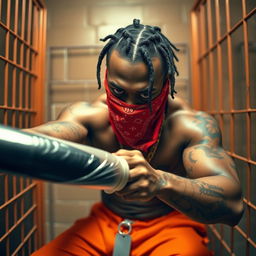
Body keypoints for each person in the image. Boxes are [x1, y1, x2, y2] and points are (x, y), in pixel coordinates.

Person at [30, 19, 243, 256]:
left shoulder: (189, 126)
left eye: (145, 94)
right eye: (119, 91)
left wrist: (161, 182)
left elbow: (232, 204)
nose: (129, 106)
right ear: (107, 76)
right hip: (107, 221)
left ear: (166, 83)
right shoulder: (91, 115)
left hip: (170, 224)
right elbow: (53, 134)